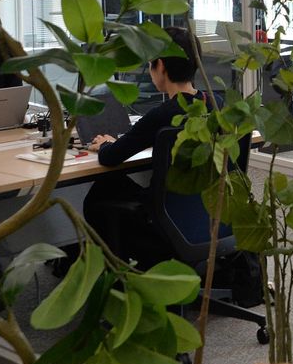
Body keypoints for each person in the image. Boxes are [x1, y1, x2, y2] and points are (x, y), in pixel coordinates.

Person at [84, 26, 248, 266]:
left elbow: (110, 158)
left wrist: (107, 144)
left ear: (160, 66)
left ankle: (118, 273)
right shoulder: (217, 104)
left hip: (167, 226)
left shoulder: (161, 115)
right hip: (213, 215)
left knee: (103, 189)